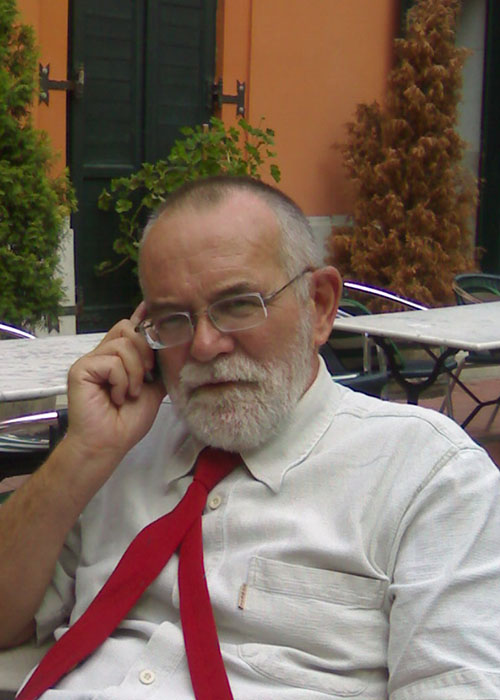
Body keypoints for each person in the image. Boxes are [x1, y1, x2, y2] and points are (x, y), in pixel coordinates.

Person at [0, 175, 499, 699]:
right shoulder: (116, 452)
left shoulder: (428, 476)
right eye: (172, 319)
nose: (204, 345)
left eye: (238, 305)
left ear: (320, 305)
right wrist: (81, 454)